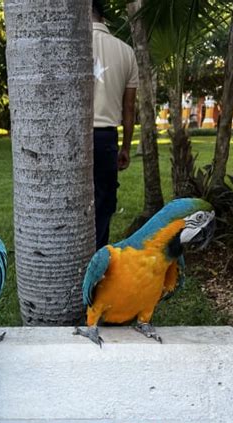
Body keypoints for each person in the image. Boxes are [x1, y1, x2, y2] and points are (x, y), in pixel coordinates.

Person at [92, 0, 138, 249]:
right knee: (103, 204)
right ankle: (97, 259)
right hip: (106, 139)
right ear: (102, 16)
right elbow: (129, 107)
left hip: (71, 137)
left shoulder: (67, 46)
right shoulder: (125, 51)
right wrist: (126, 148)